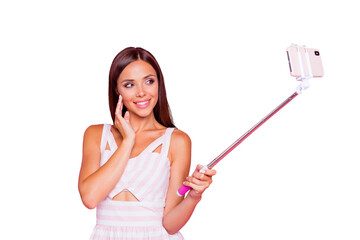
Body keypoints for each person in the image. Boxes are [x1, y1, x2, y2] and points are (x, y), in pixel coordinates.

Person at [78, 47, 216, 239]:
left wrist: (194, 196)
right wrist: (128, 141)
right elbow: (90, 198)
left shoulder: (177, 141)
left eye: (149, 81)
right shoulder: (96, 134)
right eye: (129, 85)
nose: (142, 92)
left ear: (158, 84)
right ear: (116, 88)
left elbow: (170, 224)